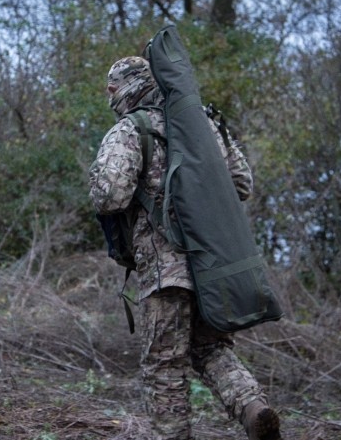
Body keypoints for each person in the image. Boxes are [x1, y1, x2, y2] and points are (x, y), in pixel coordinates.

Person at [88, 56, 282, 440]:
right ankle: (252, 408)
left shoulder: (131, 129)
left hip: (166, 273)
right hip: (213, 266)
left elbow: (109, 196)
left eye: (110, 89)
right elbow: (242, 184)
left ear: (118, 89)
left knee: (164, 366)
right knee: (210, 348)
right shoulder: (201, 125)